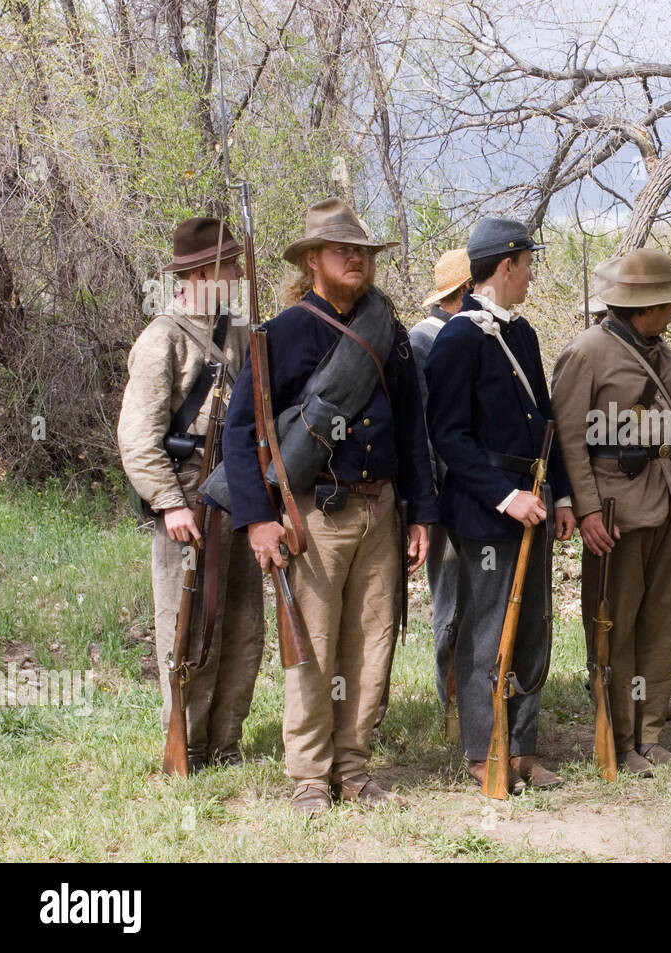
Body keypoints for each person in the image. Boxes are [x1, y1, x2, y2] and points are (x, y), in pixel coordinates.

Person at [221, 198, 436, 814]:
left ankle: (354, 766)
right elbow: (243, 434)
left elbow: (413, 428)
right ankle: (311, 775)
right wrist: (259, 519)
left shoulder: (388, 333)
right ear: (312, 260)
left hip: (381, 510)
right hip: (312, 515)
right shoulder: (282, 334)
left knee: (372, 645)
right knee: (311, 647)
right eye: (344, 251)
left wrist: (420, 511)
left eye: (364, 252)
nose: (357, 261)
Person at [424, 218, 576, 792]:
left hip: (532, 501)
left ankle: (522, 750)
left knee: (532, 624)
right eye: (528, 263)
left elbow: (545, 425)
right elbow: (450, 437)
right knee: (488, 629)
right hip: (487, 509)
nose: (533, 273)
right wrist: (505, 496)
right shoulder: (459, 339)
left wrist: (555, 495)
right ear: (506, 266)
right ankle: (482, 750)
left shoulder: (523, 334)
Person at [551, 248, 671, 775]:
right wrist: (589, 512)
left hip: (664, 502)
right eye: (667, 304)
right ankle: (617, 740)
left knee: (660, 626)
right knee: (613, 629)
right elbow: (571, 441)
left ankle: (651, 732)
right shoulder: (586, 353)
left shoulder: (662, 353)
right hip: (615, 511)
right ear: (646, 305)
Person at [118, 217, 264, 774]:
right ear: (200, 271)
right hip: (188, 497)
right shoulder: (164, 336)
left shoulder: (240, 331)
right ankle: (187, 744)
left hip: (239, 493)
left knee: (244, 624)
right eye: (228, 264)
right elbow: (137, 435)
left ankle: (225, 742)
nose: (235, 273)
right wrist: (170, 502)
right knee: (188, 627)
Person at [407, 248, 471, 722]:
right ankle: (452, 702)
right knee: (450, 602)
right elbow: (425, 434)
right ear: (465, 291)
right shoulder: (424, 341)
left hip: (477, 495)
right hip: (447, 498)